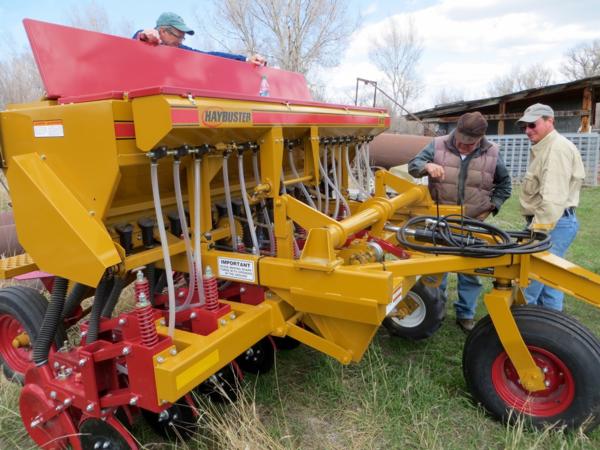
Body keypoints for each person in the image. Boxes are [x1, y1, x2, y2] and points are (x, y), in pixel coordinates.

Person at [408, 112, 512, 333]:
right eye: (460, 141)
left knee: (471, 272)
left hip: (473, 222)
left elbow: (505, 185)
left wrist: (491, 206)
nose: (463, 147)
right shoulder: (437, 145)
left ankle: (466, 314)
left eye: (469, 144)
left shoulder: (492, 152)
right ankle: (436, 308)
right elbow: (413, 164)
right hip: (440, 221)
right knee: (436, 270)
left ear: (481, 139)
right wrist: (426, 167)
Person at [517, 103, 585, 311]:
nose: (527, 131)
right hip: (556, 222)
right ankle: (549, 327)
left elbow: (552, 199)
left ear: (550, 121)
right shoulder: (546, 146)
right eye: (524, 127)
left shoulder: (556, 149)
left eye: (532, 125)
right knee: (549, 283)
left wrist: (536, 232)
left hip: (552, 224)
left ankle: (526, 331)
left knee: (530, 282)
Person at [134, 12, 266, 66]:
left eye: (183, 38)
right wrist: (144, 35)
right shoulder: (144, 39)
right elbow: (137, 40)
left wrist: (245, 60)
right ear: (162, 31)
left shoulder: (179, 49)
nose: (180, 41)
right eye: (178, 36)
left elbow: (209, 56)